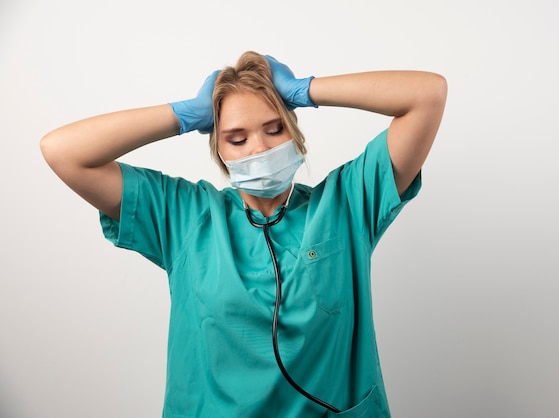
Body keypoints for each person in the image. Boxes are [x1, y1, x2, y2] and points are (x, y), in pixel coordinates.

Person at [40, 51, 447, 417]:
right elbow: (65, 152)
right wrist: (183, 115)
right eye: (237, 138)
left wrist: (306, 90)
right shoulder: (183, 216)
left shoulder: (347, 204)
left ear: (295, 134)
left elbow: (427, 95)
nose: (258, 149)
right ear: (219, 150)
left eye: (274, 129)